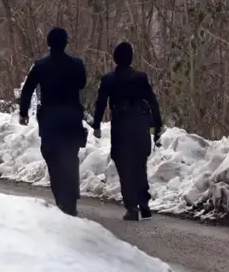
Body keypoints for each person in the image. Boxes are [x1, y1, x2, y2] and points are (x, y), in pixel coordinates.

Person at [18, 27, 88, 217]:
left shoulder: (40, 66)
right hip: (72, 118)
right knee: (71, 158)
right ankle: (71, 199)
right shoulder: (77, 64)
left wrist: (23, 112)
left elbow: (28, 89)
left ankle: (61, 199)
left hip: (50, 120)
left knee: (53, 158)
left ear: (48, 44)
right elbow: (82, 83)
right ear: (66, 42)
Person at [91, 41, 163, 222]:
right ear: (131, 58)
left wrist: (97, 124)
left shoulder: (108, 80)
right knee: (140, 165)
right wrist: (157, 124)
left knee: (124, 167)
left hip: (121, 126)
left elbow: (100, 103)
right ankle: (144, 202)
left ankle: (131, 207)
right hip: (140, 124)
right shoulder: (141, 78)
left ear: (115, 58)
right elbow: (153, 101)